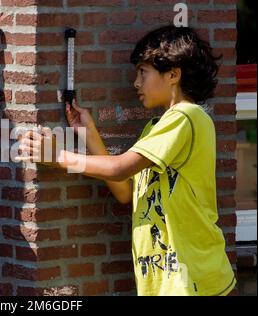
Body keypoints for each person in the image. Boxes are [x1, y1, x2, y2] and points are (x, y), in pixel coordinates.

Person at [17, 25, 236, 296]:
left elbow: (120, 167)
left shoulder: (187, 117)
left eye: (143, 72)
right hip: (164, 284)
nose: (136, 83)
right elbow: (124, 191)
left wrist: (58, 157)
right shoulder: (155, 128)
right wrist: (90, 135)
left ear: (173, 74)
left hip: (197, 281)